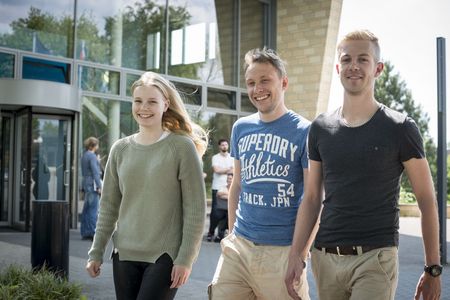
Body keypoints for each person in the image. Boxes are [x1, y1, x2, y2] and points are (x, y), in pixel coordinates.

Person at [285, 29, 442, 300]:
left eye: (363, 59)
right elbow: (311, 198)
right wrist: (296, 255)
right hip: (325, 258)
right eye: (346, 60)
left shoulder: (400, 128)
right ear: (338, 67)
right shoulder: (320, 128)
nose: (353, 66)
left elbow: (427, 200)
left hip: (375, 258)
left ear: (378, 68)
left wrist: (432, 268)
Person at [85, 71, 208, 300]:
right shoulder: (120, 149)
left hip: (165, 256)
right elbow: (109, 207)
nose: (144, 107)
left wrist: (185, 259)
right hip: (124, 254)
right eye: (138, 101)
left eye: (152, 101)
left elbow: (195, 210)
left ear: (165, 104)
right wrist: (96, 251)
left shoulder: (181, 147)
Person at [209, 47, 314, 299]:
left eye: (265, 80)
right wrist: (232, 235)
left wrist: (300, 254)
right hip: (239, 247)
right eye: (251, 83)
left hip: (282, 250)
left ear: (284, 82)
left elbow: (314, 199)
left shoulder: (305, 131)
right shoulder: (240, 128)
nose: (258, 89)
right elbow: (237, 186)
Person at [207, 139, 233, 242]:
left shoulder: (232, 157)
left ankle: (222, 234)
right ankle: (211, 232)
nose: (224, 146)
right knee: (215, 213)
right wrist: (228, 169)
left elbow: (234, 170)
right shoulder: (215, 157)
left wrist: (223, 170)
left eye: (226, 144)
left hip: (229, 187)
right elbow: (216, 170)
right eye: (222, 145)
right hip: (217, 187)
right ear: (219, 146)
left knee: (228, 212)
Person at [80, 137, 102, 241]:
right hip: (92, 184)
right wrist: (99, 186)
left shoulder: (84, 155)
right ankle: (93, 232)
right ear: (94, 145)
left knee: (87, 209)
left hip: (86, 183)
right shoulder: (92, 156)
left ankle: (85, 231)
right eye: (97, 145)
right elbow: (95, 172)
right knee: (93, 209)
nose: (98, 147)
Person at [213, 172, 233, 242]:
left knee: (228, 216)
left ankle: (228, 235)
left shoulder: (236, 188)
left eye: (230, 179)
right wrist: (230, 195)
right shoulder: (223, 187)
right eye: (228, 179)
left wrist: (226, 195)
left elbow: (235, 197)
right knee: (221, 216)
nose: (229, 180)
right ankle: (220, 235)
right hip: (223, 208)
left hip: (232, 209)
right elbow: (219, 194)